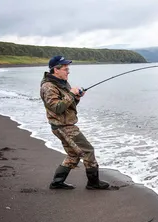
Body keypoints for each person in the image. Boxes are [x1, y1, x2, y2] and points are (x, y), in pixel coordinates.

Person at [40, 55, 117, 190]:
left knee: (73, 155)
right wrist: (70, 94)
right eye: (65, 69)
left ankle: (57, 183)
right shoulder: (48, 86)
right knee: (88, 151)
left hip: (63, 125)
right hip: (63, 126)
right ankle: (93, 183)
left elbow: (68, 105)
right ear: (55, 70)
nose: (68, 71)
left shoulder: (61, 83)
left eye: (68, 68)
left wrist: (76, 97)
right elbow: (57, 108)